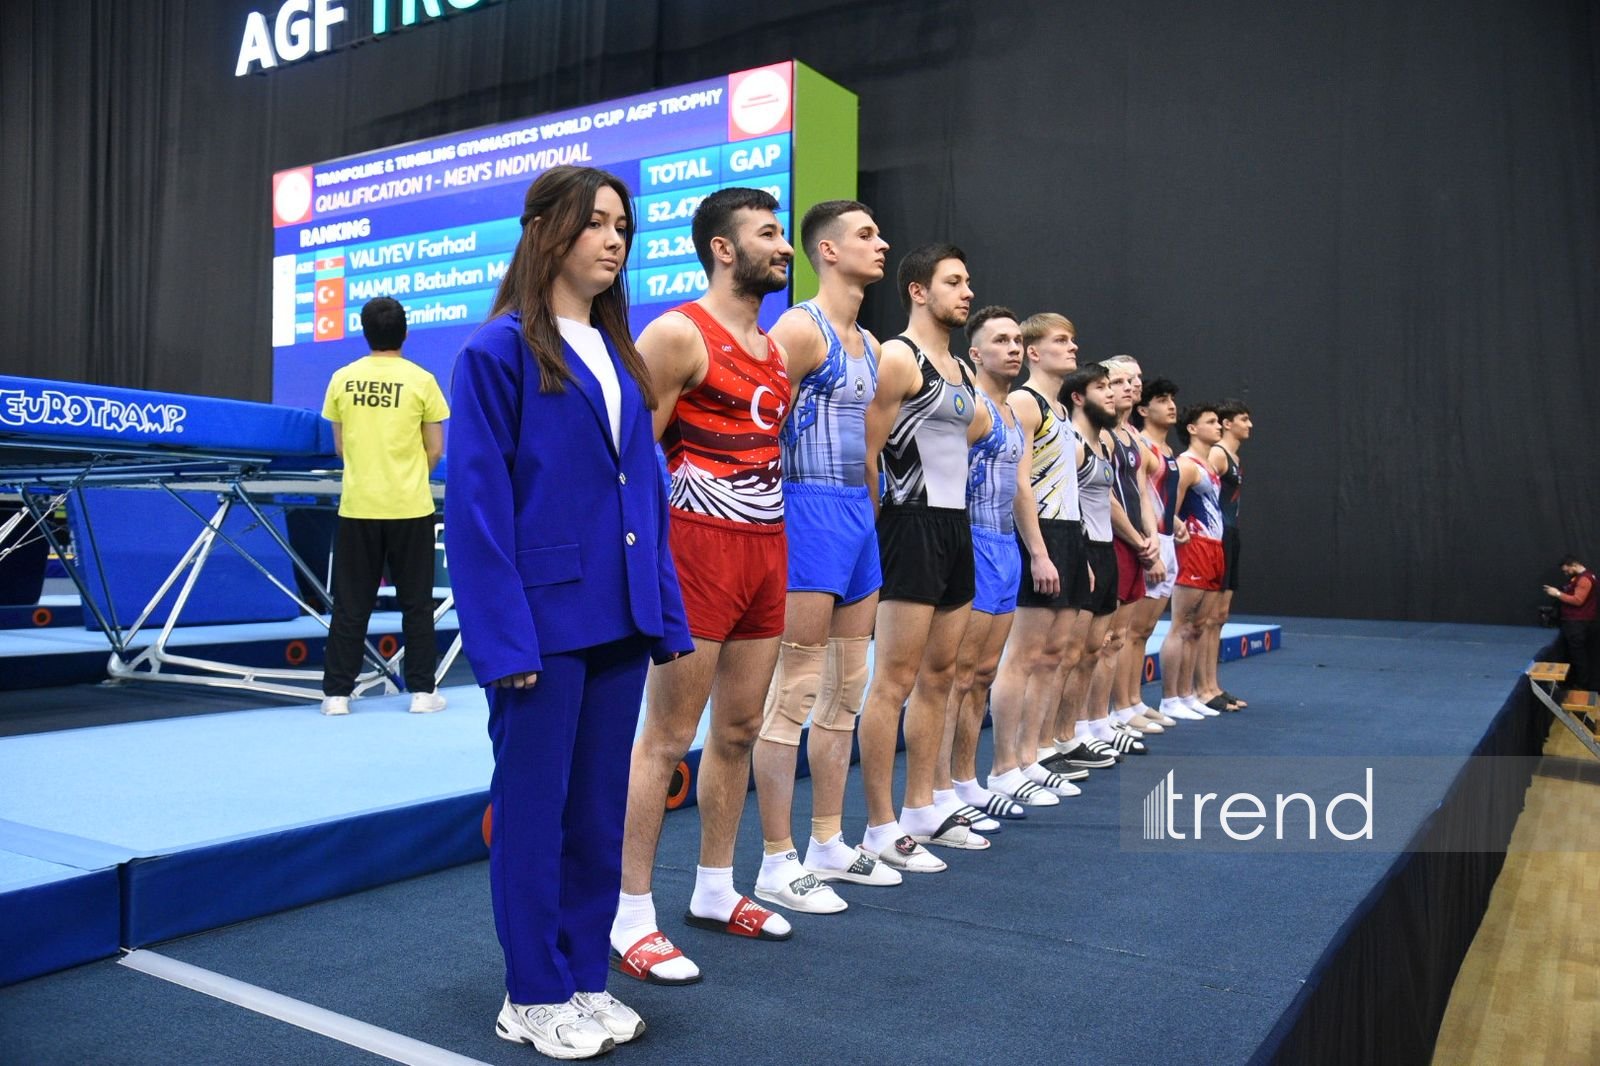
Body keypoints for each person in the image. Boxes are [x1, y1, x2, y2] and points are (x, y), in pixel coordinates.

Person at [446, 166, 692, 1059]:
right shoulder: (497, 351)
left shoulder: (622, 356)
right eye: (595, 222)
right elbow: (476, 507)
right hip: (541, 629)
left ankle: (585, 976)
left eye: (623, 225)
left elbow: (647, 494)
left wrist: (663, 611)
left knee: (594, 816)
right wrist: (503, 638)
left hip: (618, 620)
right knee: (531, 815)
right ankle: (532, 992)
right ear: (545, 230)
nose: (614, 238)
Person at [611, 188, 796, 985]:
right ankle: (629, 912)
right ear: (724, 248)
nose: (783, 247)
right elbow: (626, 459)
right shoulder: (678, 333)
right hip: (697, 551)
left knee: (741, 728)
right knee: (666, 737)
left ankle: (716, 889)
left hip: (767, 550)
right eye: (768, 233)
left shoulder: (775, 352)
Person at [749, 200, 901, 907]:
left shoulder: (871, 345)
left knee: (847, 689)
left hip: (855, 517)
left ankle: (828, 841)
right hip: (804, 509)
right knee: (796, 690)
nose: (882, 243)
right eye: (866, 234)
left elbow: (869, 447)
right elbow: (756, 427)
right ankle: (775, 860)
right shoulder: (797, 328)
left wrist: (868, 518)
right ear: (829, 251)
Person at [857, 243, 994, 869]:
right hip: (908, 525)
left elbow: (974, 432)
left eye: (967, 282)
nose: (967, 293)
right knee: (894, 681)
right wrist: (876, 532)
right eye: (954, 282)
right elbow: (868, 454)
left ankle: (921, 807)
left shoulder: (961, 369)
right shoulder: (898, 357)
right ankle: (880, 825)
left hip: (955, 527)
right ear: (918, 291)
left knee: (941, 677)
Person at [987, 312, 1098, 809]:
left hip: (1069, 533)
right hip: (1041, 532)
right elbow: (1019, 482)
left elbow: (1068, 484)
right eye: (1061, 340)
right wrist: (1038, 551)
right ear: (1034, 352)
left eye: (1073, 339)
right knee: (1024, 657)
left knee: (1056, 655)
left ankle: (1033, 755)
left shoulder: (1060, 410)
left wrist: (1079, 552)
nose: (1072, 347)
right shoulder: (1025, 403)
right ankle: (1003, 766)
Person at [320, 297, 449, 716]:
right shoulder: (421, 380)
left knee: (350, 604)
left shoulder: (342, 379)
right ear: (405, 333)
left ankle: (336, 696)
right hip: (410, 506)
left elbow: (340, 447)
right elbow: (435, 449)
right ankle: (422, 693)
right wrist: (406, 477)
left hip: (358, 505)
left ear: (364, 332)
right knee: (417, 604)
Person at [936, 306, 1026, 829]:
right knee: (956, 674)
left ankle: (966, 778)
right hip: (970, 540)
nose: (1013, 348)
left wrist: (1035, 551)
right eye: (1001, 341)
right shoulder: (973, 408)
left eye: (1017, 340)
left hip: (1005, 545)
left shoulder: (1012, 412)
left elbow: (1020, 489)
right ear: (975, 354)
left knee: (984, 673)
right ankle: (938, 788)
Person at [1050, 362, 1131, 762]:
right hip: (1081, 549)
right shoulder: (1073, 443)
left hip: (1105, 549)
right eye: (1103, 387)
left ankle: (1073, 732)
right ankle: (1049, 741)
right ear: (1078, 397)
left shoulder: (1106, 444)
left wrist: (1135, 538)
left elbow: (1107, 501)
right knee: (1067, 654)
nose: (1113, 394)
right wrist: (1077, 555)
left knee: (1092, 651)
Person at [1160, 402, 1228, 722]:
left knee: (1198, 627)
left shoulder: (1210, 466)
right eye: (1211, 421)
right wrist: (1177, 528)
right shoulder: (1186, 465)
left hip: (1214, 547)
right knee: (1182, 625)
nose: (1219, 426)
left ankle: (1187, 694)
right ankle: (1169, 698)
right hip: (1194, 547)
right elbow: (1166, 507)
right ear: (1192, 428)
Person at [1123, 378, 1186, 727]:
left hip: (1167, 538)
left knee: (1144, 632)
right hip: (1150, 542)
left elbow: (1157, 497)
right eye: (1162, 400)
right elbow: (1138, 496)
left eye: (1172, 399)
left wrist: (1174, 521)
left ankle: (1134, 700)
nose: (1171, 405)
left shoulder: (1168, 451)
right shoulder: (1142, 445)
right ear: (1144, 410)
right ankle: (1122, 705)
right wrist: (1150, 545)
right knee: (1131, 633)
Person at [1197, 399, 1252, 711]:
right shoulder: (1217, 454)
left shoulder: (1234, 457)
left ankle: (1213, 684)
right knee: (1206, 618)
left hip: (1231, 535)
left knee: (1219, 617)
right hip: (1216, 536)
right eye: (1243, 419)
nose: (1249, 425)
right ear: (1228, 423)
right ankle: (1202, 688)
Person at [1544, 555, 1597, 693]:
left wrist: (1557, 594)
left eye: (1566, 570)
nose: (1566, 573)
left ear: (1573, 565)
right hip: (1577, 622)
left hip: (1577, 623)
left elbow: (1578, 600)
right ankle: (1579, 683)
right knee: (1576, 655)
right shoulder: (1584, 578)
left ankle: (1581, 685)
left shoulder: (1584, 579)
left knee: (1578, 656)